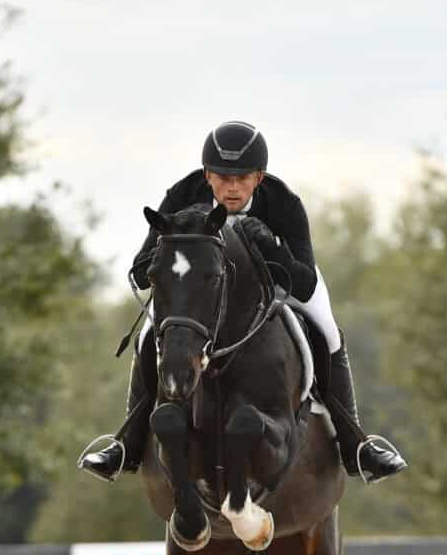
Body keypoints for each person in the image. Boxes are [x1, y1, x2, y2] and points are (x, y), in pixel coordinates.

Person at [81, 120, 407, 485]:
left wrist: (270, 247)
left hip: (274, 283)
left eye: (242, 178)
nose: (231, 188)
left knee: (327, 332)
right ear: (206, 175)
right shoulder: (182, 194)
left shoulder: (284, 203)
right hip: (201, 292)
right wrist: (166, 252)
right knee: (146, 335)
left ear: (259, 177)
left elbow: (303, 282)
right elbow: (143, 271)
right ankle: (126, 443)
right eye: (222, 177)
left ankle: (356, 445)